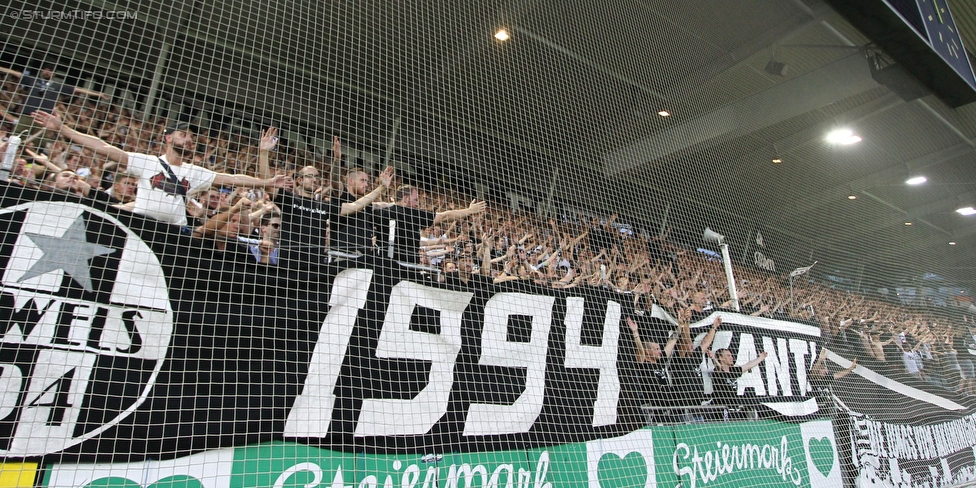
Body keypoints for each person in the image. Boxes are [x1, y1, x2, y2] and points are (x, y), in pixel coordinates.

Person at [30, 111, 293, 228]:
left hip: (174, 234)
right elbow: (105, 148)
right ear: (168, 138)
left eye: (191, 136)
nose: (189, 139)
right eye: (183, 134)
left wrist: (268, 183)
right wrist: (63, 129)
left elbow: (234, 177)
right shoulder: (147, 162)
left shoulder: (197, 171)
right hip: (139, 225)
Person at [256, 127, 393, 267]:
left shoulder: (323, 205)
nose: (315, 180)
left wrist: (381, 187)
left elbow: (355, 206)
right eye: (310, 176)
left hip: (316, 267)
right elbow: (267, 183)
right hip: (289, 263)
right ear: (299, 180)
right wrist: (264, 152)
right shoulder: (290, 199)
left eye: (317, 176)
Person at [376, 185, 486, 264]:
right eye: (415, 200)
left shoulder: (383, 212)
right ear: (406, 199)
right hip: (406, 264)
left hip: (384, 261)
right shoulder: (414, 214)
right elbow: (445, 216)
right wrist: (470, 210)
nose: (417, 204)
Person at [0, 64, 108, 139]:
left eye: (50, 70)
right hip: (27, 114)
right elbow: (15, 73)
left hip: (44, 118)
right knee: (16, 137)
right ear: (42, 71)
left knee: (38, 141)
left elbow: (77, 89)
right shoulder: (33, 80)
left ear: (54, 74)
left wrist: (98, 94)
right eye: (45, 69)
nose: (47, 72)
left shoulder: (57, 86)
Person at [706, 346, 768, 420]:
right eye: (728, 356)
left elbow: (748, 365)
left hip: (734, 409)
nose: (731, 358)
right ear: (721, 358)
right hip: (722, 409)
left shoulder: (734, 371)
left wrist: (761, 358)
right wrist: (713, 358)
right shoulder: (717, 372)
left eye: (731, 355)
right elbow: (719, 367)